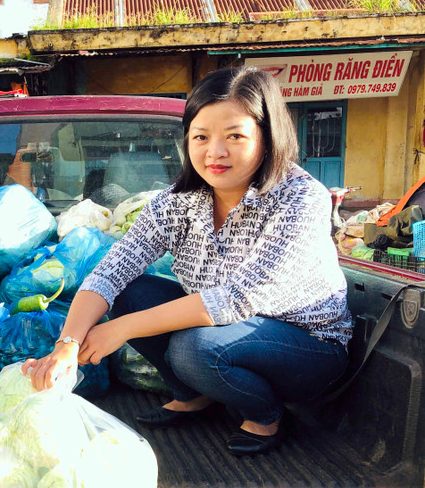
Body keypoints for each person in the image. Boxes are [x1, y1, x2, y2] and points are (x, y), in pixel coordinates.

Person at [25, 67, 352, 456]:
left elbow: (237, 299)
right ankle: (195, 395)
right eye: (201, 137)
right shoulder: (177, 202)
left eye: (235, 136)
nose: (215, 152)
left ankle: (265, 415)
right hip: (223, 333)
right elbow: (111, 270)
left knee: (195, 347)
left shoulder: (299, 198)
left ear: (267, 138)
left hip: (308, 347)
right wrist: (68, 343)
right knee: (131, 291)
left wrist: (121, 330)